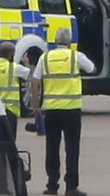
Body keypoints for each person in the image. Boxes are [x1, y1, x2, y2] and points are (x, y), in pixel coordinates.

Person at [31, 28, 96, 196]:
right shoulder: (76, 57)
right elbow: (92, 69)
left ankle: (52, 185)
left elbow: (35, 80)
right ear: (70, 41)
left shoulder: (45, 58)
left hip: (51, 110)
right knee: (72, 148)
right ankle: (71, 187)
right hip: (72, 110)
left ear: (55, 40)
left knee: (52, 147)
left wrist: (36, 104)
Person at [0, 42, 30, 193]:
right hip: (9, 115)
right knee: (9, 151)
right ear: (11, 55)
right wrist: (26, 63)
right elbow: (29, 74)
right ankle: (9, 185)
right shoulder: (14, 68)